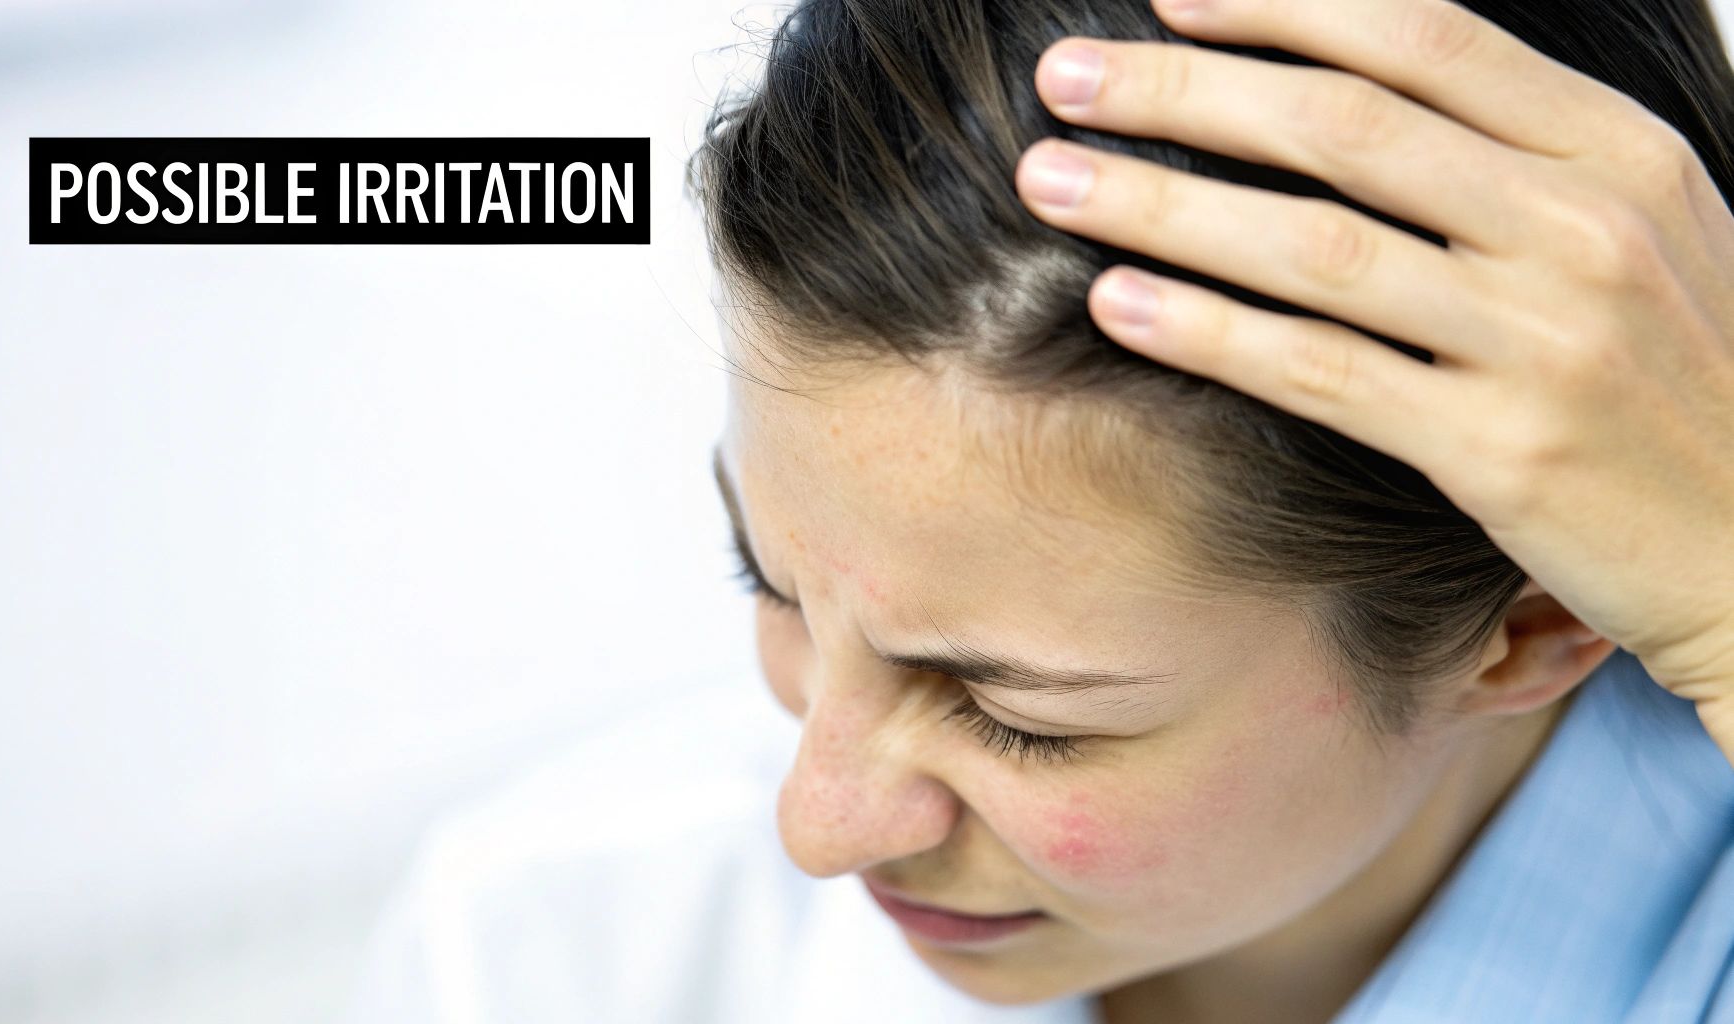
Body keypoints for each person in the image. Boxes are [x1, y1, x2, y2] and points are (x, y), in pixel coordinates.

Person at [349, 0, 1734, 1020]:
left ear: (1542, 615)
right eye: (765, 584)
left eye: (1018, 716)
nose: (817, 825)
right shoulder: (561, 949)